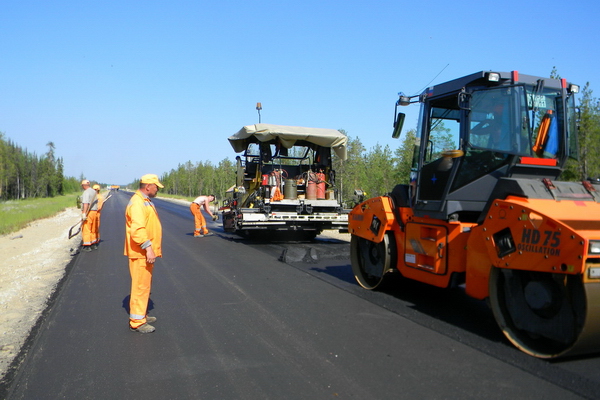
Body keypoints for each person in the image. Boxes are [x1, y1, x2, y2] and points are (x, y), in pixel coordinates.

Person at [124, 174, 164, 333]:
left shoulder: (145, 200)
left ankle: (141, 314)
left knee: (145, 285)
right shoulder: (138, 203)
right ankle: (137, 322)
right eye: (156, 187)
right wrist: (148, 248)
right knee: (140, 286)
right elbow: (138, 229)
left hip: (143, 252)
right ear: (148, 186)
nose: (157, 189)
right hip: (140, 252)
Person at [80, 180, 98, 252]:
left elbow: (85, 203)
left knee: (86, 228)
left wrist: (84, 213)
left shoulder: (86, 192)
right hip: (94, 212)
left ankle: (87, 245)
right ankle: (93, 243)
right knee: (93, 228)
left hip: (89, 212)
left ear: (83, 186)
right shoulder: (93, 191)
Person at [92, 184, 104, 249]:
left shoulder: (99, 197)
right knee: (93, 228)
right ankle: (94, 240)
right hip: (93, 213)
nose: (94, 191)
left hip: (96, 214)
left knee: (95, 228)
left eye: (95, 190)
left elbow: (99, 207)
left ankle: (96, 241)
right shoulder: (94, 196)